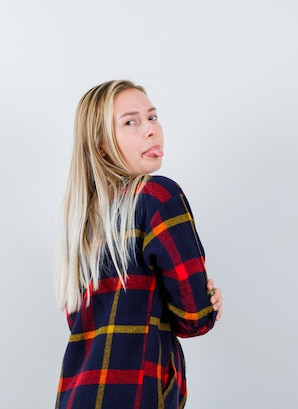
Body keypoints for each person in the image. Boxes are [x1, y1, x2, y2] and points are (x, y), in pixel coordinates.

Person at [54, 80, 223, 409]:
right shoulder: (157, 197)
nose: (151, 130)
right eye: (130, 122)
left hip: (77, 396)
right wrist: (209, 303)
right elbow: (195, 317)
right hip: (134, 395)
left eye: (152, 117)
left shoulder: (82, 221)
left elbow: (83, 324)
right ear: (102, 145)